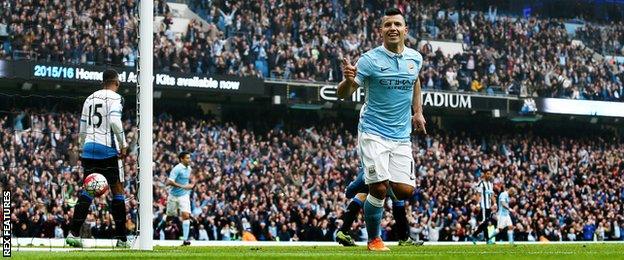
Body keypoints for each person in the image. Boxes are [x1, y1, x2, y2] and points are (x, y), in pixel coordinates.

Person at [337, 7, 425, 251]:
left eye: (397, 24)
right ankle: (374, 240)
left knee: (405, 191)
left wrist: (417, 112)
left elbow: (415, 81)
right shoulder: (369, 60)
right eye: (388, 25)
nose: (393, 28)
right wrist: (346, 79)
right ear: (381, 31)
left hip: (401, 135)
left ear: (405, 29)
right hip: (373, 131)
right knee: (379, 187)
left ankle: (363, 178)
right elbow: (344, 94)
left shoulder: (415, 58)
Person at [67, 69, 130, 248]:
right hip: (107, 149)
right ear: (116, 82)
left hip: (88, 148)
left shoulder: (90, 98)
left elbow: (82, 127)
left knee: (88, 190)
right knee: (117, 190)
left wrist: (81, 146)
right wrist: (123, 144)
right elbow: (115, 122)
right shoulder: (116, 98)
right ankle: (122, 239)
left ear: (102, 81)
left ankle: (73, 234)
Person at [335, 168, 424, 247]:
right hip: (384, 173)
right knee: (398, 200)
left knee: (360, 196)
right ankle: (403, 238)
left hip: (370, 173)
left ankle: (343, 231)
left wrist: (351, 189)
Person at [165, 151, 195, 245]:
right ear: (181, 159)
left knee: (186, 215)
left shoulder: (189, 168)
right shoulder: (177, 169)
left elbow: (191, 180)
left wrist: (191, 184)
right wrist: (183, 186)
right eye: (187, 158)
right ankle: (161, 228)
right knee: (170, 217)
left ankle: (185, 240)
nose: (189, 160)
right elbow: (169, 182)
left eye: (189, 158)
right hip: (173, 196)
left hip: (184, 195)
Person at [470, 172, 496, 244]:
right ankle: (487, 239)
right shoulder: (481, 183)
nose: (489, 175)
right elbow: (478, 194)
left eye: (490, 174)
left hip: (489, 207)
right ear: (484, 175)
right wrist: (478, 204)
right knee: (485, 222)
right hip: (483, 206)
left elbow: (492, 194)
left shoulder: (491, 184)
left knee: (485, 223)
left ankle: (474, 235)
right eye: (488, 174)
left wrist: (495, 203)